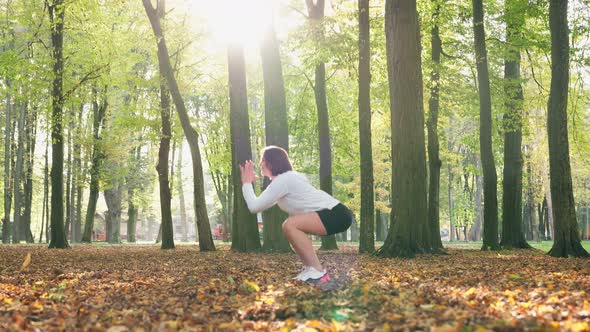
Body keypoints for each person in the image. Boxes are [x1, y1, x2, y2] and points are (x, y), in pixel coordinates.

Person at [240, 145, 354, 282]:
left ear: (272, 162)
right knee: (291, 226)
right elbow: (259, 204)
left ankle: (317, 271)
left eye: (263, 160)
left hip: (335, 214)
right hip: (337, 213)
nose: (260, 163)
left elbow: (253, 207)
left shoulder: (283, 180)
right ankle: (312, 270)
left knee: (290, 225)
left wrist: (246, 183)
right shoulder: (286, 179)